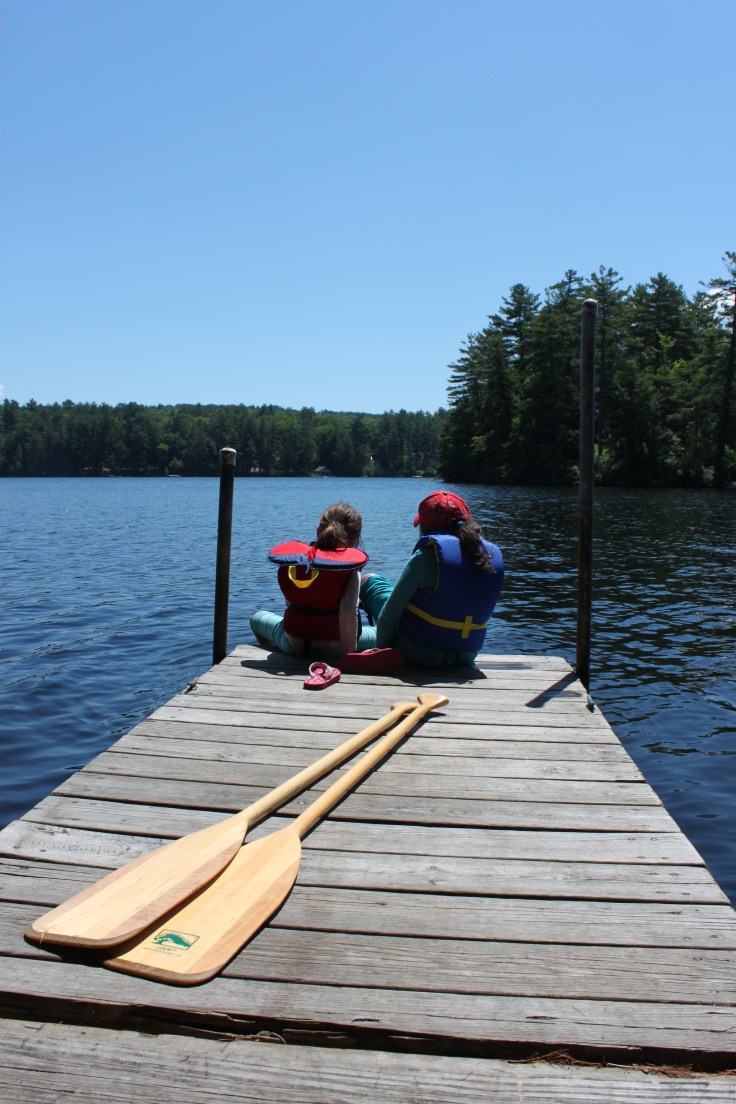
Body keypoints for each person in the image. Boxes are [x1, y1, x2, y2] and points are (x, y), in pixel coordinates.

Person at [359, 490, 504, 669]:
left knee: (371, 582)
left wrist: (383, 652)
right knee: (377, 585)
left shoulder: (427, 555)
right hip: (466, 655)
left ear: (426, 527)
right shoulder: (487, 556)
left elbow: (388, 619)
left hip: (417, 652)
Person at [250, 502, 377, 658]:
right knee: (381, 633)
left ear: (318, 531)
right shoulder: (350, 570)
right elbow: (348, 618)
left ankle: (282, 659)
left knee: (256, 619)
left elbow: (291, 603)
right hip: (334, 650)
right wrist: (347, 657)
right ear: (355, 539)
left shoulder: (296, 561)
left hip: (294, 645)